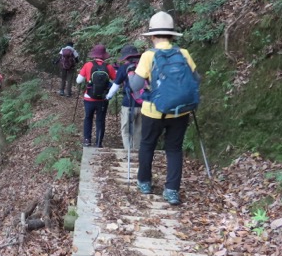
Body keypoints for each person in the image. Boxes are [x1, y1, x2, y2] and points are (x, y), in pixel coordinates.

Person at [129, 12, 198, 206]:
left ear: (152, 36)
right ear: (172, 35)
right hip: (181, 110)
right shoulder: (183, 54)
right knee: (174, 149)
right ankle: (172, 191)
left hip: (153, 110)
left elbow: (135, 86)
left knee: (147, 145)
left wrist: (134, 74)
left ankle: (144, 182)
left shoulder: (148, 56)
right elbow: (196, 79)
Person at [76, 44, 117, 148]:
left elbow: (78, 80)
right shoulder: (109, 67)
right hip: (103, 99)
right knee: (100, 120)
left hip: (89, 98)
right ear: (104, 56)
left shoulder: (87, 65)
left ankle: (87, 140)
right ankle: (98, 142)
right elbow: (117, 81)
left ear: (94, 55)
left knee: (88, 118)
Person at [106, 44, 143, 153]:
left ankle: (128, 152)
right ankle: (137, 152)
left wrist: (108, 96)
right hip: (143, 104)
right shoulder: (144, 66)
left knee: (126, 130)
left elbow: (115, 86)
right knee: (138, 130)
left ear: (126, 57)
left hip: (128, 103)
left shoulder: (123, 68)